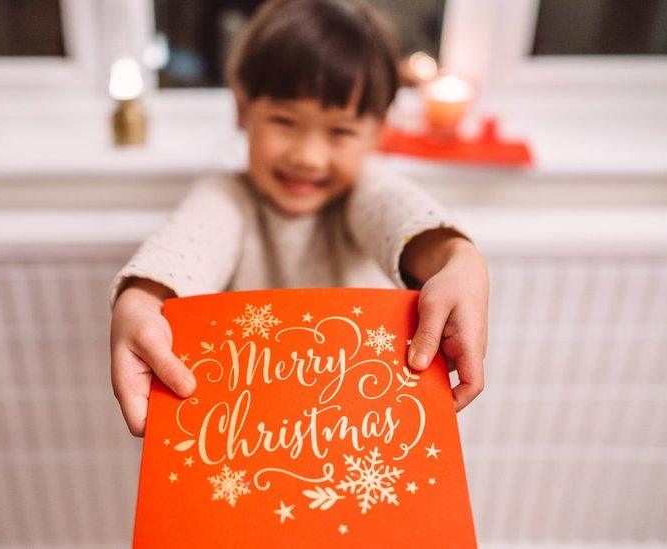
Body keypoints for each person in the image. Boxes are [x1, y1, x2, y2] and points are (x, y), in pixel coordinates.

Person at [109, 0, 488, 437]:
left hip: (361, 423)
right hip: (251, 428)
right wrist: (139, 300)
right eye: (285, 121)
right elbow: (186, 243)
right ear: (242, 110)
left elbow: (405, 219)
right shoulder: (227, 197)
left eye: (340, 131)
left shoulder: (364, 191)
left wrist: (459, 260)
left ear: (379, 130)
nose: (308, 157)